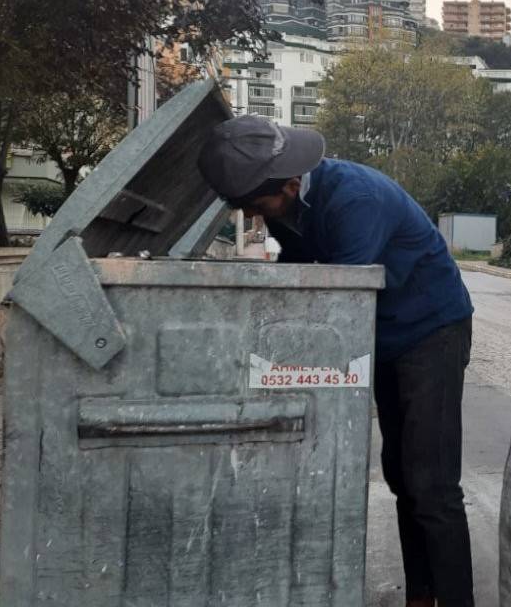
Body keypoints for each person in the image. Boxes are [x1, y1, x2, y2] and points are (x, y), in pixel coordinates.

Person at [198, 115, 475, 607]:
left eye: (258, 208)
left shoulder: (355, 200)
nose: (256, 218)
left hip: (431, 330)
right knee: (402, 476)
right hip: (386, 335)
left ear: (289, 184)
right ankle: (421, 594)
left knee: (432, 485)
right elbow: (299, 278)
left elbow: (339, 304)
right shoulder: (288, 205)